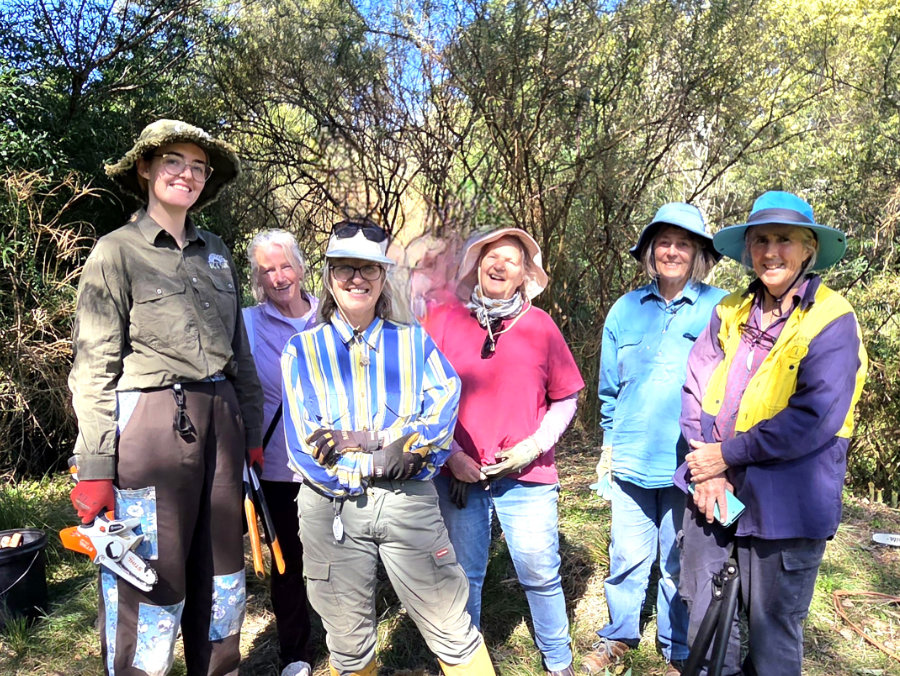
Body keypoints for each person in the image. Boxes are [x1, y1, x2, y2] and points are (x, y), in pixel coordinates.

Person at [68, 119, 263, 675]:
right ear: (146, 169)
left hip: (222, 421)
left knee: (224, 570)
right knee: (149, 569)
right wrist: (96, 464)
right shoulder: (116, 252)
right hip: (153, 425)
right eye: (174, 161)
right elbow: (94, 365)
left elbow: (239, 353)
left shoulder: (217, 252)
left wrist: (248, 434)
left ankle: (218, 667)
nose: (188, 174)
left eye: (199, 166)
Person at [281, 219, 495, 676]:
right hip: (330, 510)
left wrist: (361, 444)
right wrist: (388, 451)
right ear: (328, 276)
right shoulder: (302, 351)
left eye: (368, 269)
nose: (356, 278)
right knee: (348, 642)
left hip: (408, 504)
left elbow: (441, 410)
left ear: (383, 277)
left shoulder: (414, 342)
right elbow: (305, 444)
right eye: (344, 268)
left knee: (452, 628)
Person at [677, 191, 867, 675]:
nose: (770, 251)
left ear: (808, 249)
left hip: (786, 504)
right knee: (707, 615)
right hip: (713, 489)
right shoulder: (729, 310)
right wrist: (711, 468)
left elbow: (815, 416)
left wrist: (729, 455)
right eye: (760, 239)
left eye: (784, 239)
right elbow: (695, 386)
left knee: (773, 633)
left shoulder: (832, 318)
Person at [429, 227, 585, 676]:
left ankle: (559, 663)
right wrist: (449, 454)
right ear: (476, 265)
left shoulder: (540, 326)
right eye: (490, 256)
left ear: (524, 275)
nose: (499, 265)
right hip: (459, 477)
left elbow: (567, 397)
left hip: (528, 477)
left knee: (540, 573)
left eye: (511, 260)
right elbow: (422, 396)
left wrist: (535, 445)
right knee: (464, 579)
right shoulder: (443, 319)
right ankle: (462, 666)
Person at [583, 204, 726, 675]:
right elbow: (608, 388)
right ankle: (620, 635)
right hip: (631, 457)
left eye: (683, 243)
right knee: (626, 555)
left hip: (690, 464)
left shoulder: (722, 308)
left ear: (699, 253)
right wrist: (609, 446)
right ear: (648, 251)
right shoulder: (625, 309)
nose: (671, 251)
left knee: (677, 559)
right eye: (663, 242)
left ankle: (676, 646)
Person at [243, 229, 318, 676]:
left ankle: (352, 642)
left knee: (339, 559)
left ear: (301, 267)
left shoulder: (330, 316)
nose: (278, 277)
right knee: (288, 564)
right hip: (276, 466)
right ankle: (296, 654)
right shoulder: (249, 324)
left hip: (332, 464)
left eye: (285, 265)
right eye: (267, 270)